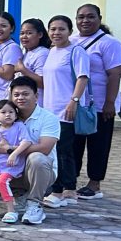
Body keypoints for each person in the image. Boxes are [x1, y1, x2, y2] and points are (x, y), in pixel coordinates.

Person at [0, 76, 59, 225]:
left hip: (38, 172)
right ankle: (18, 196)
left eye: (25, 94)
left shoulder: (48, 118)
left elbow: (45, 148)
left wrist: (9, 150)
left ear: (36, 96)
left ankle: (34, 204)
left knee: (37, 158)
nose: (20, 98)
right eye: (16, 94)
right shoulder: (5, 118)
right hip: (9, 170)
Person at [71, 4, 121, 200]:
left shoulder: (110, 43)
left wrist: (109, 102)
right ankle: (70, 180)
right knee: (74, 144)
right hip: (77, 103)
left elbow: (115, 74)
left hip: (100, 104)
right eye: (81, 17)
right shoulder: (71, 40)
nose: (85, 21)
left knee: (98, 145)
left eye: (90, 16)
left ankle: (94, 184)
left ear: (99, 19)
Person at [42, 15, 91, 208]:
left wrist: (74, 101)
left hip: (66, 109)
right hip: (50, 109)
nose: (56, 33)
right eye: (53, 29)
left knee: (62, 151)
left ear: (70, 31)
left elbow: (82, 78)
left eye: (61, 29)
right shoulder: (52, 51)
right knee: (61, 151)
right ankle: (68, 189)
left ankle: (60, 191)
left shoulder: (76, 51)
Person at [16, 18, 51, 106]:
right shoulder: (26, 52)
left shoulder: (42, 53)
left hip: (36, 104)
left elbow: (42, 82)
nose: (24, 36)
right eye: (22, 33)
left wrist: (23, 70)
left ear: (40, 34)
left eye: (29, 33)